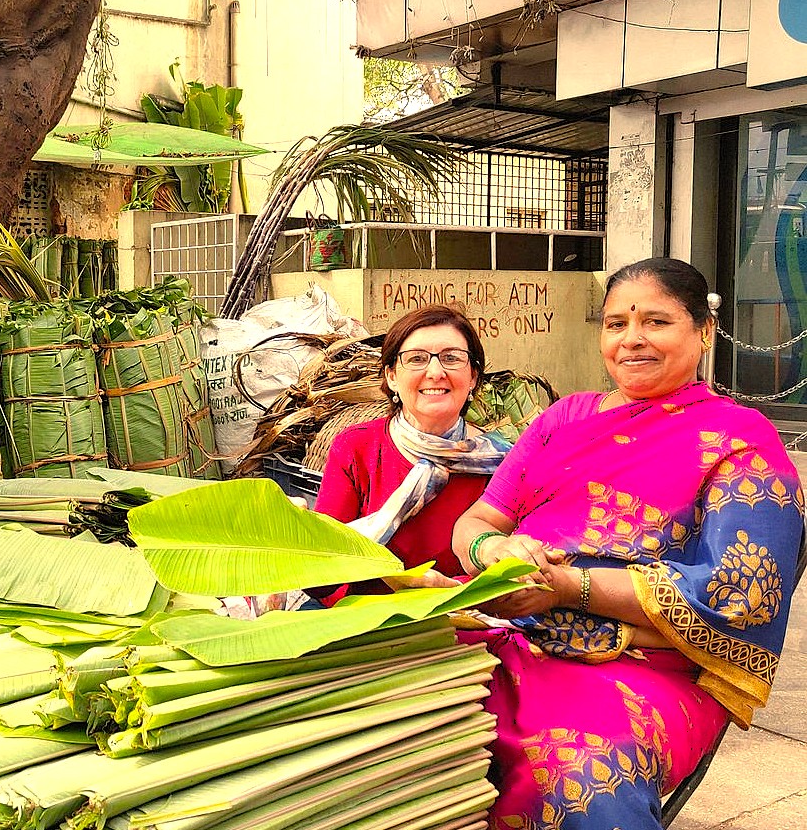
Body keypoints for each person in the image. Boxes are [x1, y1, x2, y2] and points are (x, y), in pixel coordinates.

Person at [452, 258, 804, 829]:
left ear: (705, 333)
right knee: (397, 716)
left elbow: (740, 592)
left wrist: (569, 587)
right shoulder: (565, 418)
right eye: (616, 324)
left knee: (576, 771)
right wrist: (494, 553)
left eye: (656, 322)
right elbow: (479, 521)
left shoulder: (739, 441)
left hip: (644, 663)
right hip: (505, 629)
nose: (631, 340)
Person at [309, 304, 512, 605]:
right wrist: (391, 579)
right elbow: (320, 574)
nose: (435, 372)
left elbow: (510, 571)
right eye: (416, 359)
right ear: (391, 376)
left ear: (473, 378)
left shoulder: (505, 463)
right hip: (366, 622)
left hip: (468, 621)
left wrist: (448, 591)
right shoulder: (356, 449)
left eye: (451, 358)